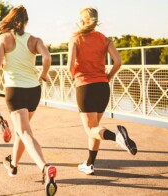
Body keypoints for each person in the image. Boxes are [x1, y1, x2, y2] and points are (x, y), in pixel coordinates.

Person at [0, 5, 57, 196]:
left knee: (24, 131)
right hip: (33, 90)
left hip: (15, 90)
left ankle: (45, 168)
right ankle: (13, 165)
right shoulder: (35, 40)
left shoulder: (3, 38)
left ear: (10, 20)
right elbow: (47, 57)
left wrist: (5, 62)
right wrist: (44, 74)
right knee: (22, 131)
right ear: (26, 21)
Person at [67, 7, 138, 175]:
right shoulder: (105, 40)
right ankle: (90, 164)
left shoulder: (75, 39)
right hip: (102, 87)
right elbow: (118, 62)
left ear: (82, 21)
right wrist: (108, 77)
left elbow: (70, 66)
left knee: (90, 129)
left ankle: (117, 137)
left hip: (85, 86)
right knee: (96, 128)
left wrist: (74, 78)